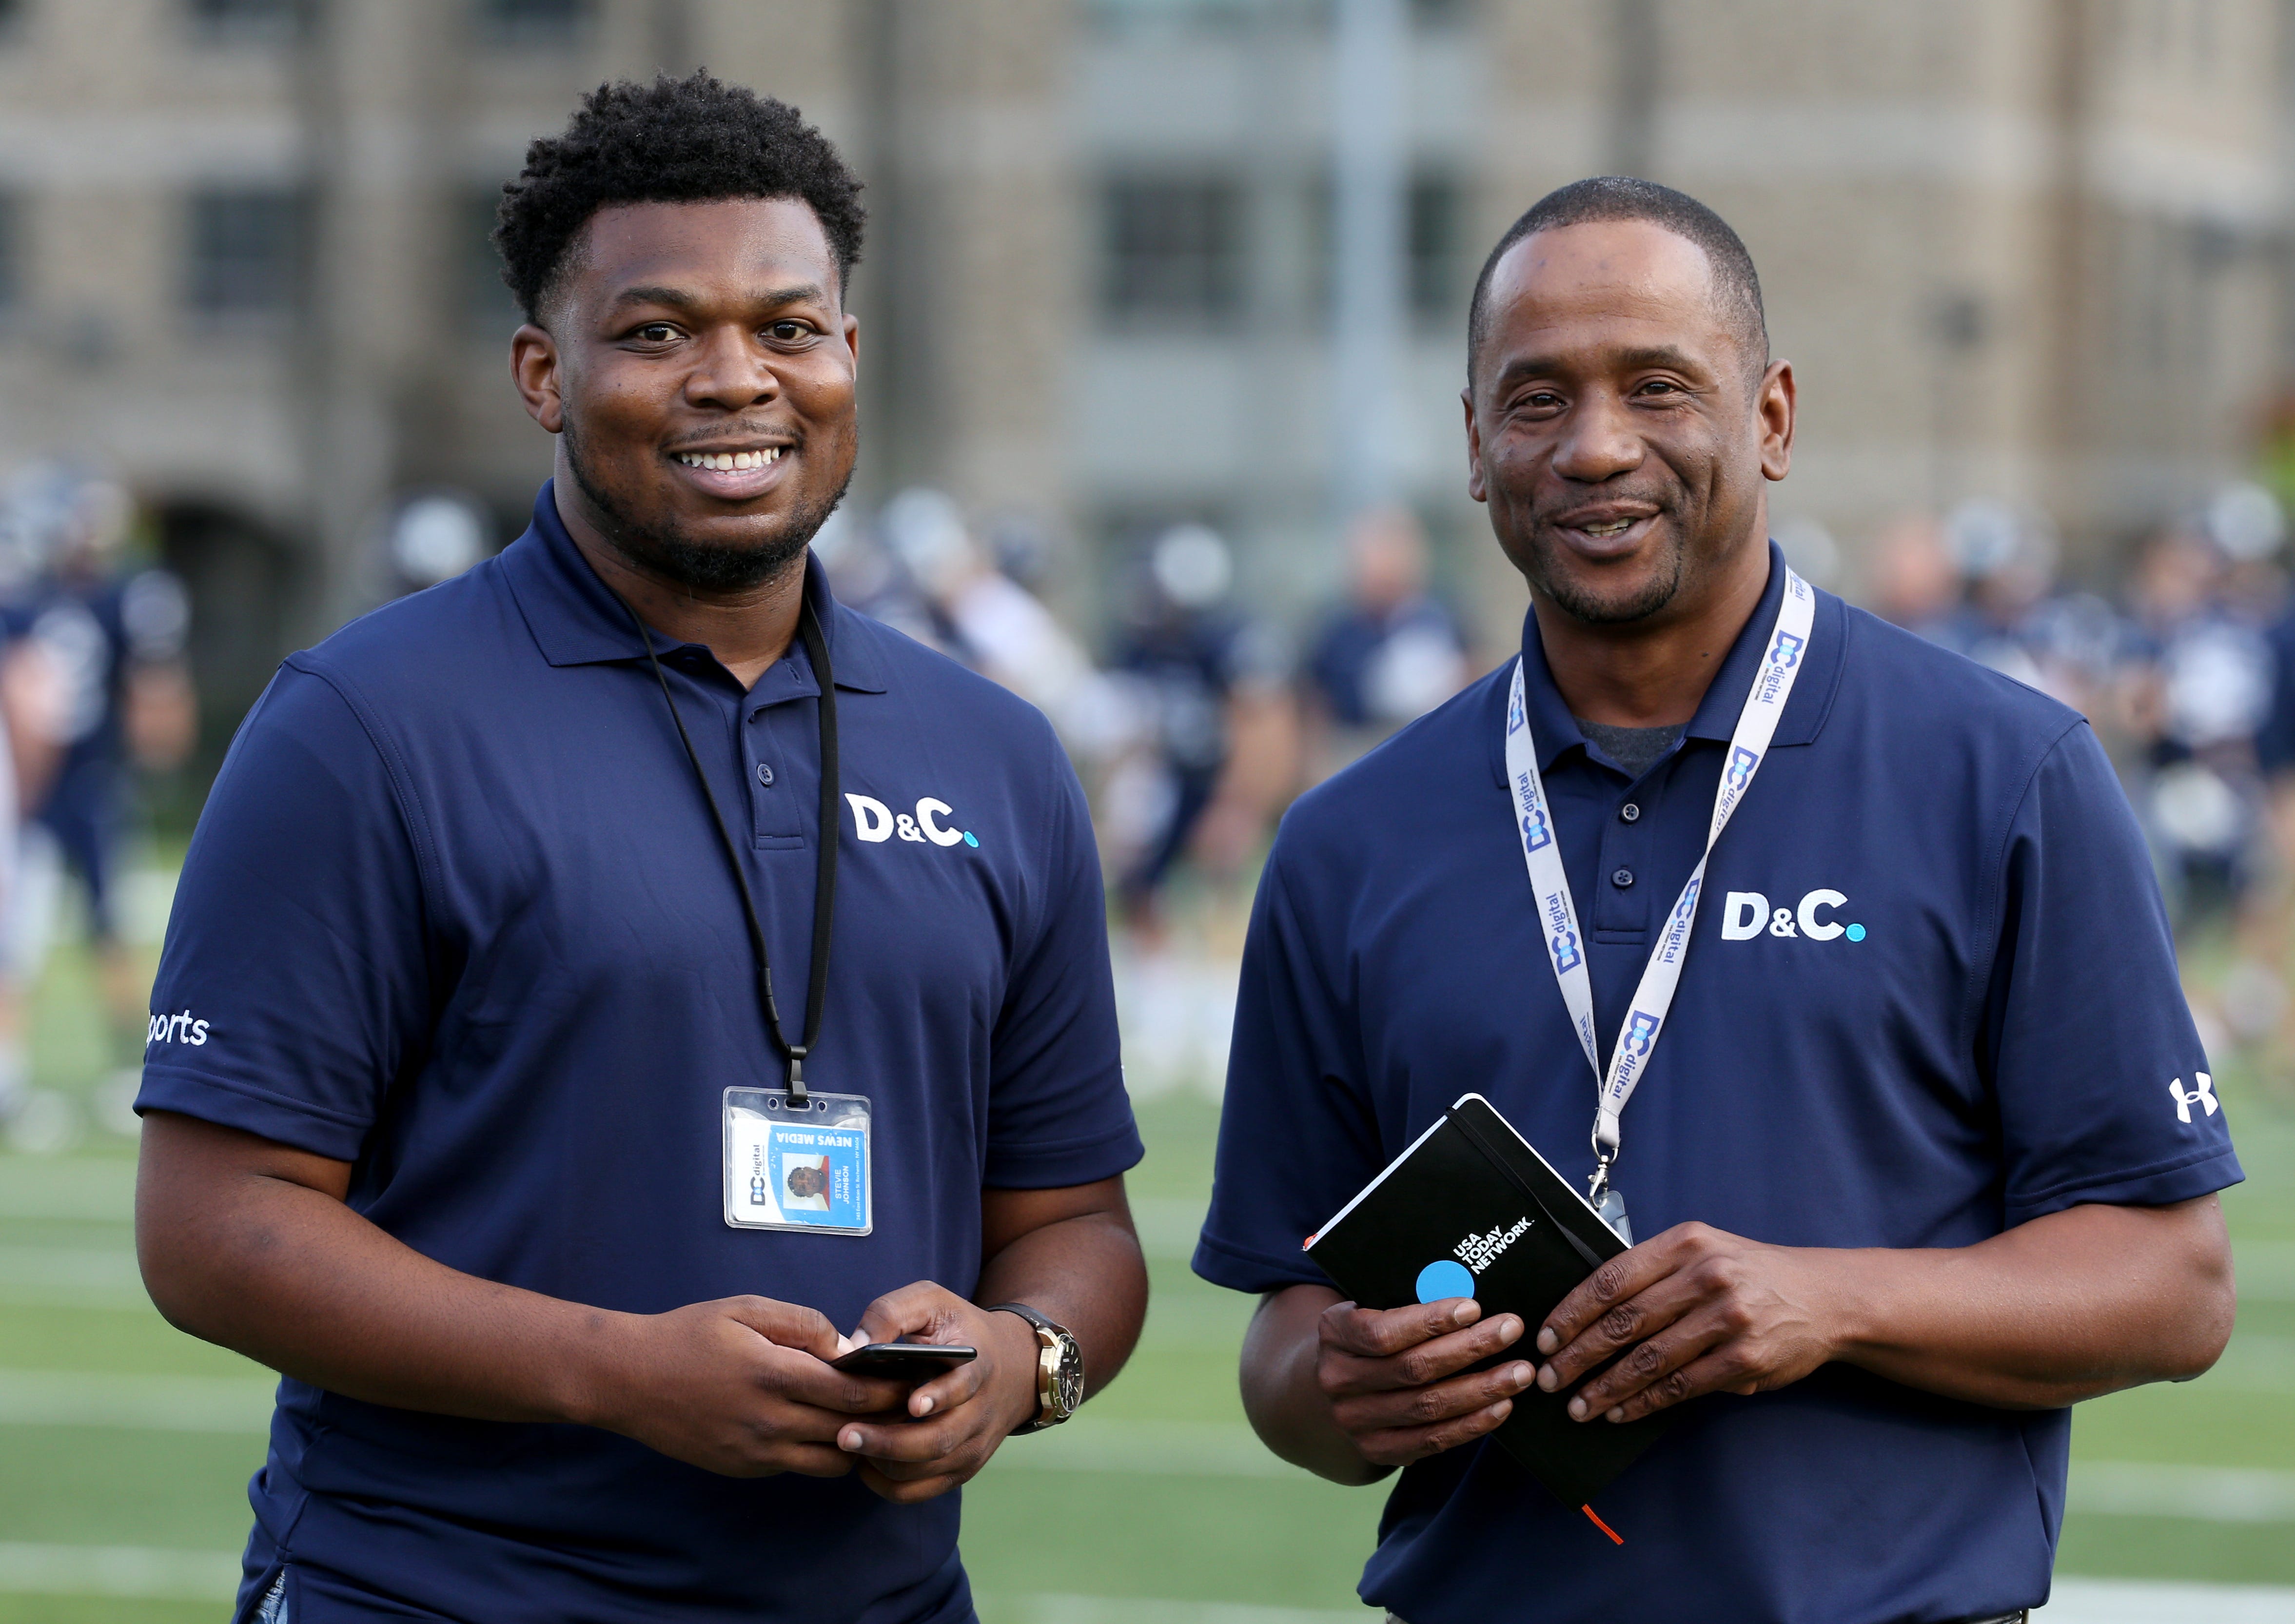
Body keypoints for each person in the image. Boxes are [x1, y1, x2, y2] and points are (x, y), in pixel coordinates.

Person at [134, 74, 1146, 1624]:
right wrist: (613, 1371)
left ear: (849, 358)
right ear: (546, 373)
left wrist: (1019, 1363)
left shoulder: (995, 753)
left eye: (788, 329)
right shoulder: (365, 721)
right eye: (661, 331)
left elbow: (1074, 1222)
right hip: (439, 1594)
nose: (737, 379)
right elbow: (213, 1232)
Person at [1194, 177, 2238, 1624]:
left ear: (1773, 418)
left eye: (1659, 387)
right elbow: (1281, 1336)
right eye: (1539, 398)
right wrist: (1341, 1384)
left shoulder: (2004, 772)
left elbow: (2174, 1287)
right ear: (1480, 448)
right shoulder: (1348, 840)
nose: (1597, 446)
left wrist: (1833, 1300)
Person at [1303, 507, 1471, 781]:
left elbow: (1474, 680)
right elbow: (1316, 706)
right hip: (1357, 751)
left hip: (1433, 749)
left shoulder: (1444, 618)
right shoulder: (1336, 629)